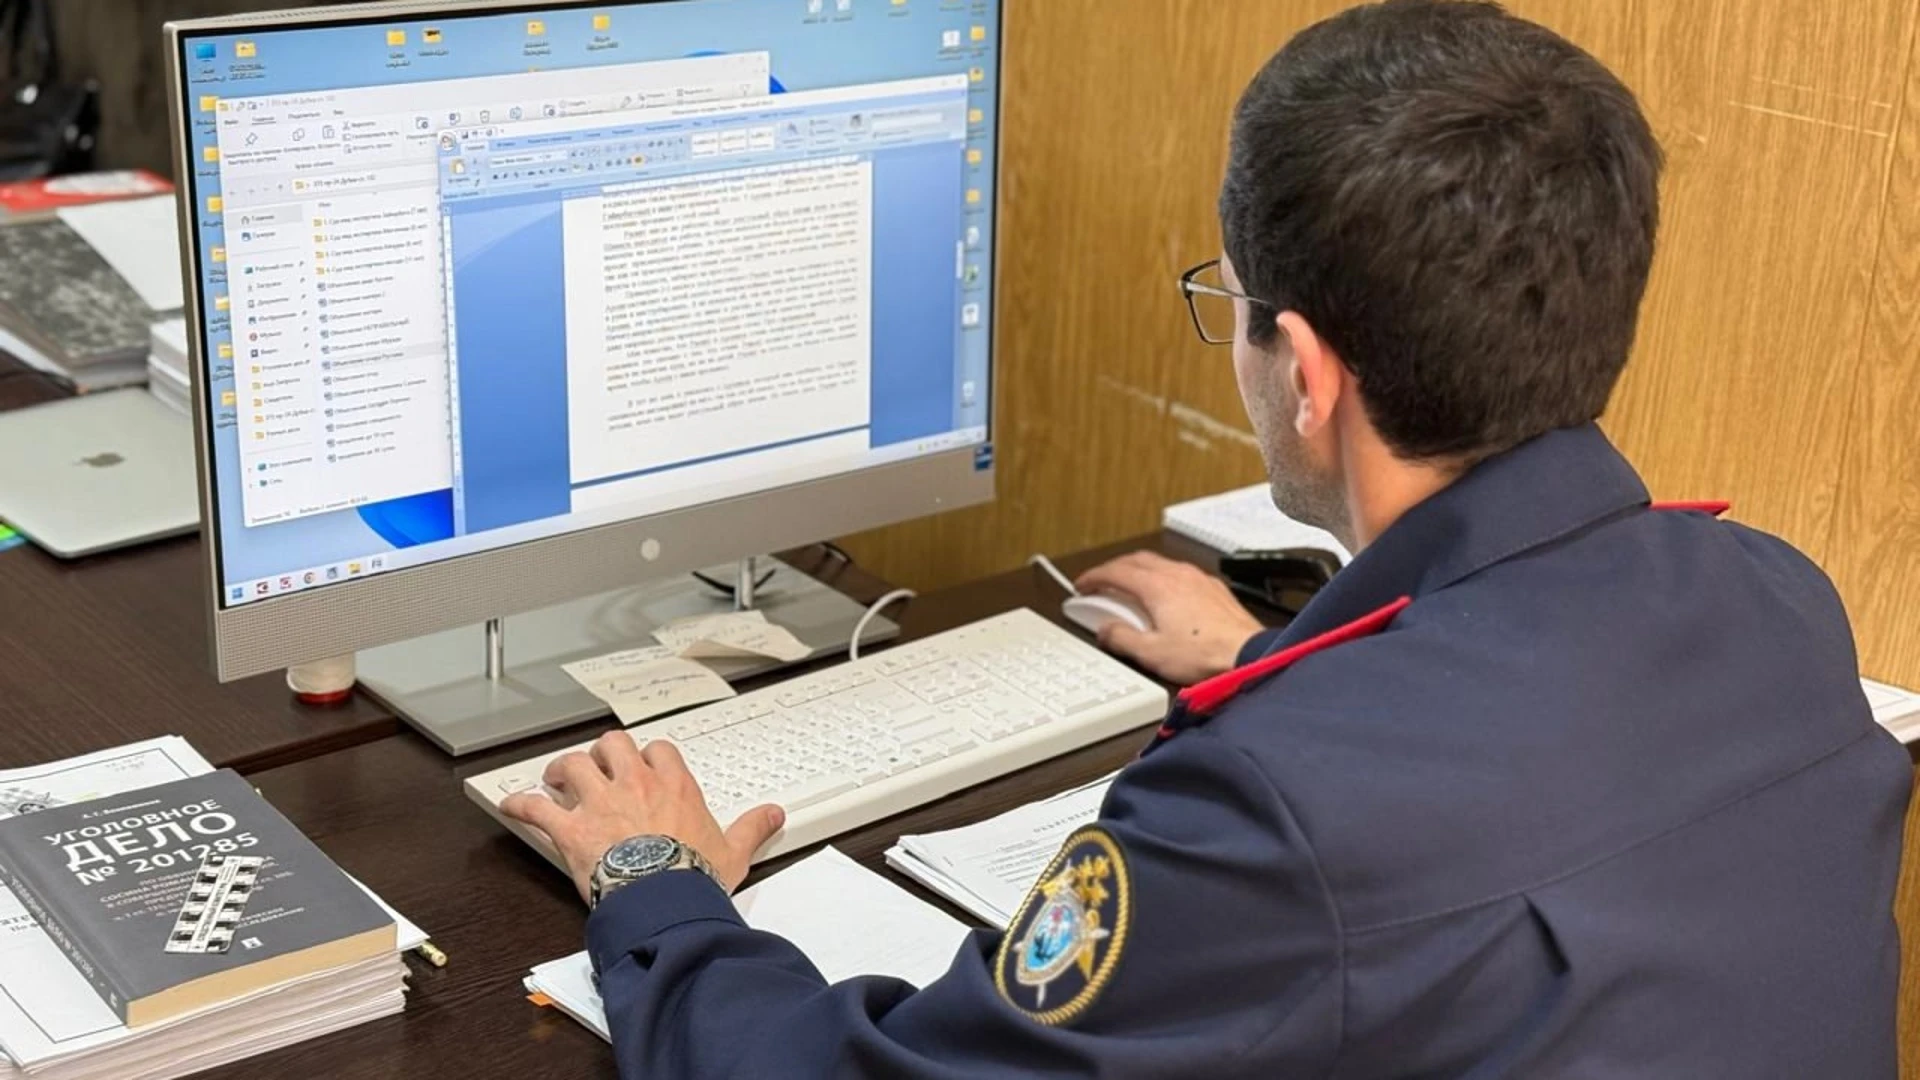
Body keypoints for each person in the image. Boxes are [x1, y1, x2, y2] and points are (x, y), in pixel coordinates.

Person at [502, 1, 1912, 1075]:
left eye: (1227, 300)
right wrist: (1278, 656)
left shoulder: (1274, 817)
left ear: (1306, 371)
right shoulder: (1776, 604)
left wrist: (654, 887)